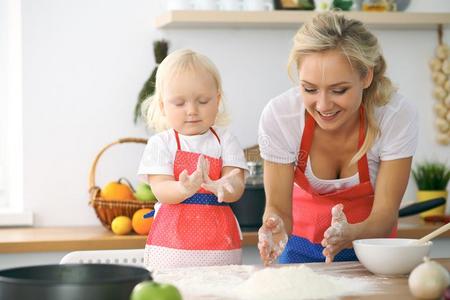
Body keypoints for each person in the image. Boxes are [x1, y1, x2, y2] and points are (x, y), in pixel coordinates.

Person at [257, 12, 418, 265]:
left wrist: (351, 235)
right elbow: (277, 208)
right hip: (298, 250)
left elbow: (385, 216)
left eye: (339, 90)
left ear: (366, 76)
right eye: (309, 89)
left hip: (372, 252)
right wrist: (274, 225)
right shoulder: (281, 116)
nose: (323, 105)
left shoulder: (394, 115)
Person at [138, 49, 248, 270]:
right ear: (162, 106)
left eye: (203, 101)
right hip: (171, 246)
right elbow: (160, 188)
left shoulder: (225, 140)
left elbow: (236, 183)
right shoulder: (161, 143)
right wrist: (182, 188)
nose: (192, 110)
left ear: (217, 100)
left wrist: (223, 186)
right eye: (179, 103)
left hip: (220, 243)